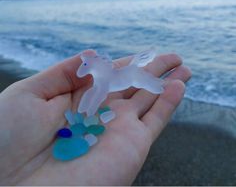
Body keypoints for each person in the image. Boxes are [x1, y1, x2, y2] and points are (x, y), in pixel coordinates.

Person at [0, 51, 191, 185]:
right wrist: (86, 111)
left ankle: (158, 86)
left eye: (85, 66)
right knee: (97, 92)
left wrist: (87, 111)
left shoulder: (105, 78)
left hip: (124, 78)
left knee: (145, 84)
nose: (83, 70)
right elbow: (96, 91)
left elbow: (99, 93)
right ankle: (157, 86)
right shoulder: (99, 76)